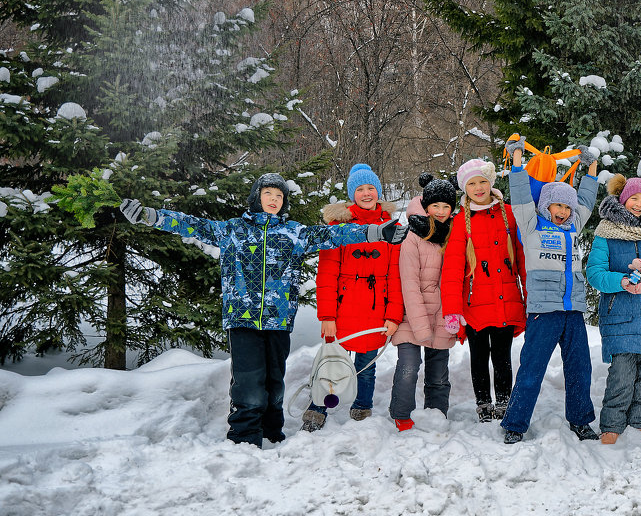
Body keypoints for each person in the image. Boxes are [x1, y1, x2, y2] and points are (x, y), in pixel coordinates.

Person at [119, 173, 393, 447]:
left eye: (279, 196)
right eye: (268, 194)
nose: (273, 200)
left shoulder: (293, 233)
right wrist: (150, 216)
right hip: (242, 319)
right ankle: (243, 440)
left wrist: (377, 231)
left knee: (275, 383)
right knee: (248, 385)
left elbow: (335, 234)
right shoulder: (233, 230)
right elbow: (191, 225)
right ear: (256, 198)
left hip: (279, 320)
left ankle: (271, 434)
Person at [499, 142, 602, 444]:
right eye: (558, 206)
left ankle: (581, 421)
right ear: (545, 206)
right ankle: (515, 424)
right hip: (543, 311)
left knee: (580, 369)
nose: (564, 211)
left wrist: (591, 166)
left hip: (572, 311)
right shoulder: (531, 225)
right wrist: (518, 160)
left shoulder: (573, 227)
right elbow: (519, 196)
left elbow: (586, 197)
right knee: (531, 370)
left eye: (567, 207)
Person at [301, 163, 407, 432]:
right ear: (352, 195)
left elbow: (396, 276)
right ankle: (318, 406)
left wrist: (393, 315)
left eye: (371, 188)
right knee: (332, 361)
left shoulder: (391, 228)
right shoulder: (338, 227)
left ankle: (361, 405)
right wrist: (326, 316)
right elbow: (326, 275)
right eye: (360, 189)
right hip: (342, 308)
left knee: (366, 365)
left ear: (378, 192)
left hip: (375, 309)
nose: (367, 193)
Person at [585, 173, 641, 444]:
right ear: (623, 200)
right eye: (634, 199)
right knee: (622, 376)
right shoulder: (606, 234)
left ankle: (639, 422)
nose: (639, 204)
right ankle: (612, 424)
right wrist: (622, 282)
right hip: (620, 317)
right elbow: (595, 273)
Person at [440, 158, 526, 422]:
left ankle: (503, 401)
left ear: (491, 183)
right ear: (465, 189)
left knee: (502, 355)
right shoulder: (459, 222)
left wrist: (531, 299)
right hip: (474, 304)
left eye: (482, 182)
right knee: (479, 356)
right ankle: (483, 403)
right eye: (472, 184)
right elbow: (452, 269)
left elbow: (523, 259)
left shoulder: (510, 214)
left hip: (506, 299)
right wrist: (452, 310)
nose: (478, 188)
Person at [391, 173, 459, 430]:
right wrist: (421, 329)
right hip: (412, 315)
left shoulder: (455, 233)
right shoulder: (413, 236)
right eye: (435, 206)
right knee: (409, 367)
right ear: (426, 205)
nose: (441, 211)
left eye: (446, 206)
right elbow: (409, 284)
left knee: (439, 374)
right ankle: (401, 414)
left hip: (443, 314)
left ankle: (436, 415)